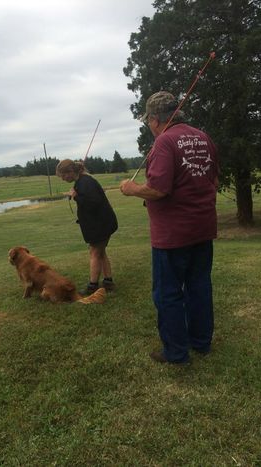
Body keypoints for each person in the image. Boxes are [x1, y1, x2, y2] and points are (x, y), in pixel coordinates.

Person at [120, 91, 219, 365]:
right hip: (203, 228)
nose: (149, 127)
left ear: (154, 119)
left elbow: (158, 189)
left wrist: (131, 189)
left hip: (172, 235)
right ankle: (201, 343)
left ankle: (176, 352)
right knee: (199, 285)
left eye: (148, 121)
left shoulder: (164, 142)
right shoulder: (203, 137)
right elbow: (214, 180)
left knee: (167, 293)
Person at [56, 159, 118, 294]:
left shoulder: (86, 182)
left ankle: (92, 286)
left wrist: (76, 196)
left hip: (101, 224)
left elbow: (93, 204)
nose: (62, 179)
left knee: (95, 252)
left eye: (63, 176)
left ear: (71, 172)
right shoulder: (82, 181)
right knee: (100, 252)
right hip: (101, 223)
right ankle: (108, 282)